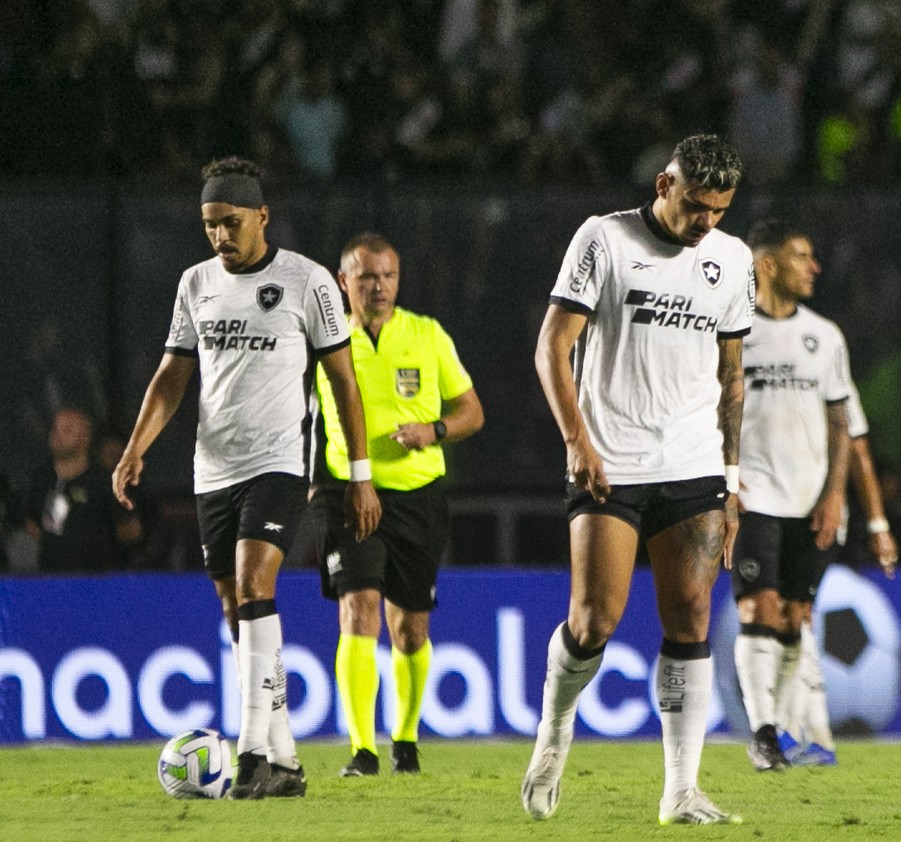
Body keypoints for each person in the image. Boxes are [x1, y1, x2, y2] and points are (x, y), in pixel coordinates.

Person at [113, 157, 379, 801]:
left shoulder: (308, 282)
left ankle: (254, 752)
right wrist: (134, 449)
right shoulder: (196, 284)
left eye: (230, 223)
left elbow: (344, 381)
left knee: (257, 583)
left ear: (261, 217)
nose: (219, 236)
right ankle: (286, 759)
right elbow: (173, 375)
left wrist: (360, 475)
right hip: (214, 469)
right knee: (236, 609)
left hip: (281, 462)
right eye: (209, 225)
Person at [522, 134, 754, 826]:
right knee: (595, 619)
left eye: (719, 210)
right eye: (696, 206)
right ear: (664, 185)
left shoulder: (732, 259)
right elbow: (552, 346)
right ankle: (554, 733)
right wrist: (576, 441)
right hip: (611, 460)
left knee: (690, 618)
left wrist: (732, 479)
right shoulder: (605, 240)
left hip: (692, 463)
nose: (707, 222)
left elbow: (732, 377)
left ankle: (681, 790)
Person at [314, 233, 484, 778]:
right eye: (366, 277)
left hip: (419, 496)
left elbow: (472, 413)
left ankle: (405, 739)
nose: (378, 286)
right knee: (359, 608)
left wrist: (433, 429)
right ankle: (362, 748)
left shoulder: (427, 335)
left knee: (410, 627)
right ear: (344, 282)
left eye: (387, 275)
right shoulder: (324, 338)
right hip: (349, 489)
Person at [730, 219, 853, 773]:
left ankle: (780, 728)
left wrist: (834, 497)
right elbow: (712, 410)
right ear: (768, 265)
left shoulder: (825, 336)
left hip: (811, 500)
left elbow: (840, 424)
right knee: (760, 606)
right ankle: (760, 734)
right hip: (755, 495)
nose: (815, 268)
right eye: (802, 256)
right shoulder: (731, 332)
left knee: (794, 618)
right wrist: (725, 483)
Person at [774, 380, 898, 768]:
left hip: (814, 515)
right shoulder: (751, 356)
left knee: (795, 614)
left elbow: (858, 448)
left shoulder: (824, 357)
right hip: (766, 509)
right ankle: (805, 734)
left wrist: (878, 525)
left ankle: (800, 732)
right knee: (787, 617)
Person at [24, 406, 142, 571]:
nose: (57, 435)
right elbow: (31, 523)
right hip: (49, 579)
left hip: (93, 580)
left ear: (85, 438)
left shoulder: (103, 482)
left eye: (67, 430)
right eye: (55, 429)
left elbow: (130, 529)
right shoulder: (42, 478)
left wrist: (91, 542)